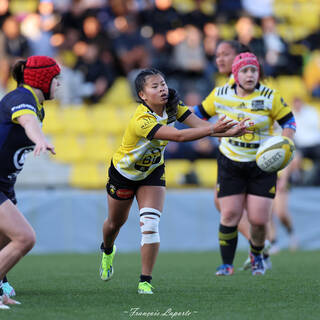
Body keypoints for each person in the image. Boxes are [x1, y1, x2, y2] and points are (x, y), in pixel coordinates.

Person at [99, 68, 250, 294]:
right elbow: (179, 135)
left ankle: (145, 281)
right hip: (124, 174)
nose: (162, 89)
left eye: (163, 84)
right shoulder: (141, 119)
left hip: (152, 171)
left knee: (150, 224)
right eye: (155, 86)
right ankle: (108, 250)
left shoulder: (172, 106)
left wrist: (231, 132)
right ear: (142, 95)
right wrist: (213, 129)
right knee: (114, 224)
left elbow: (201, 128)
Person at [193, 52, 296, 276]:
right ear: (235, 74)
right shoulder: (219, 95)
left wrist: (285, 141)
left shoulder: (270, 96)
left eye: (254, 70)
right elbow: (198, 114)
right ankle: (226, 264)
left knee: (259, 220)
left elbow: (289, 120)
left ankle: (257, 255)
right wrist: (205, 134)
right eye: (245, 71)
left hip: (263, 165)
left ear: (258, 73)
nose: (250, 75)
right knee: (229, 215)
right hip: (231, 162)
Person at [0, 56, 60, 309]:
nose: (59, 85)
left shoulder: (36, 103)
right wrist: (39, 139)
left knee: (4, 241)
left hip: (4, 184)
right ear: (43, 80)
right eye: (56, 79)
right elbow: (28, 121)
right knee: (25, 238)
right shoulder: (21, 99)